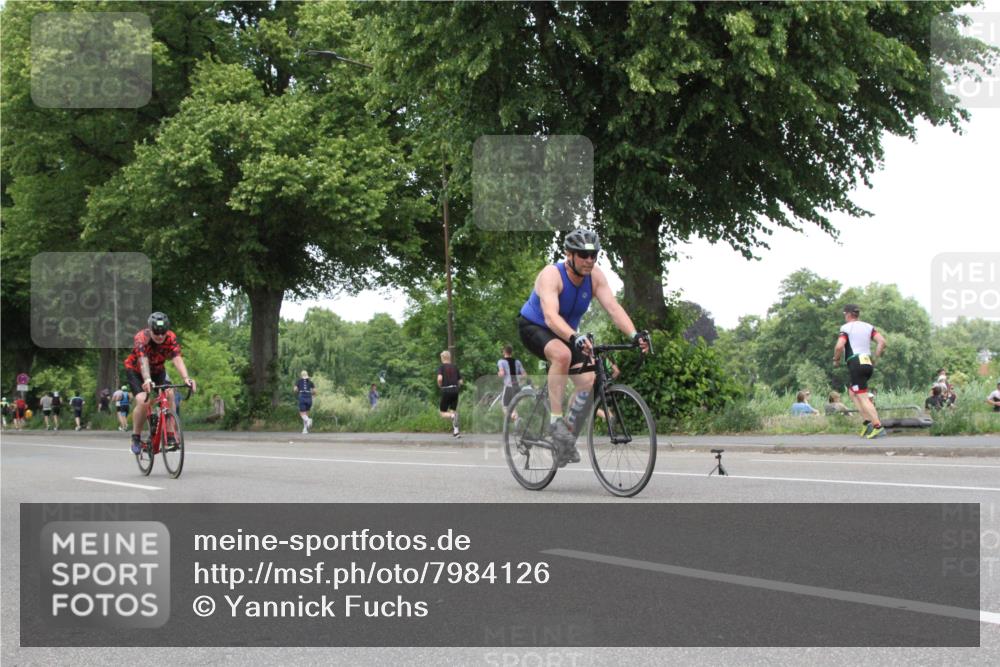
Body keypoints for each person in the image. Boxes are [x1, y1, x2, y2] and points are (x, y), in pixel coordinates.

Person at [518, 228, 650, 466]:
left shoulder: (595, 277)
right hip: (535, 326)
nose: (589, 260)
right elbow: (550, 316)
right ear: (569, 254)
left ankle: (565, 436)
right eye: (583, 255)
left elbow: (613, 308)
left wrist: (634, 334)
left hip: (568, 333)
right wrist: (574, 336)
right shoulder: (552, 275)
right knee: (562, 355)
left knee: (588, 381)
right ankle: (555, 421)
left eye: (594, 255)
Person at [124, 312, 196, 454]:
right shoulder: (141, 338)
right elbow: (143, 360)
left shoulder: (170, 337)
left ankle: (170, 434)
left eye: (163, 333)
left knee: (169, 393)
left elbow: (176, 358)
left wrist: (186, 378)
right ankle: (136, 437)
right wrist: (147, 379)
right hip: (136, 370)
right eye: (156, 333)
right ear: (150, 329)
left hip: (158, 370)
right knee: (143, 401)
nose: (160, 336)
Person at [833, 304, 888, 439]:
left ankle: (877, 426)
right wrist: (875, 357)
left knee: (862, 396)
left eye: (844, 314)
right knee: (853, 392)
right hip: (867, 362)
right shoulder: (868, 326)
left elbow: (839, 346)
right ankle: (867, 421)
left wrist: (836, 359)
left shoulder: (846, 328)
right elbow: (882, 341)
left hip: (855, 362)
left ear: (848, 314)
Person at [497, 345, 527, 420]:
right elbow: (524, 375)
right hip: (517, 387)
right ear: (511, 352)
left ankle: (516, 419)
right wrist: (520, 381)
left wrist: (499, 374)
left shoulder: (501, 361)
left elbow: (502, 373)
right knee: (513, 406)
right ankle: (517, 423)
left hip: (508, 387)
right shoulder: (517, 362)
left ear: (504, 352)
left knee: (505, 406)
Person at [437, 351, 463, 437]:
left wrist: (440, 385)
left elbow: (440, 379)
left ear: (442, 358)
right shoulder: (455, 367)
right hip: (455, 390)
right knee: (453, 410)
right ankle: (456, 432)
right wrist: (456, 387)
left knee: (442, 413)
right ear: (449, 357)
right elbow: (461, 381)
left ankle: (452, 416)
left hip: (446, 390)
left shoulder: (441, 367)